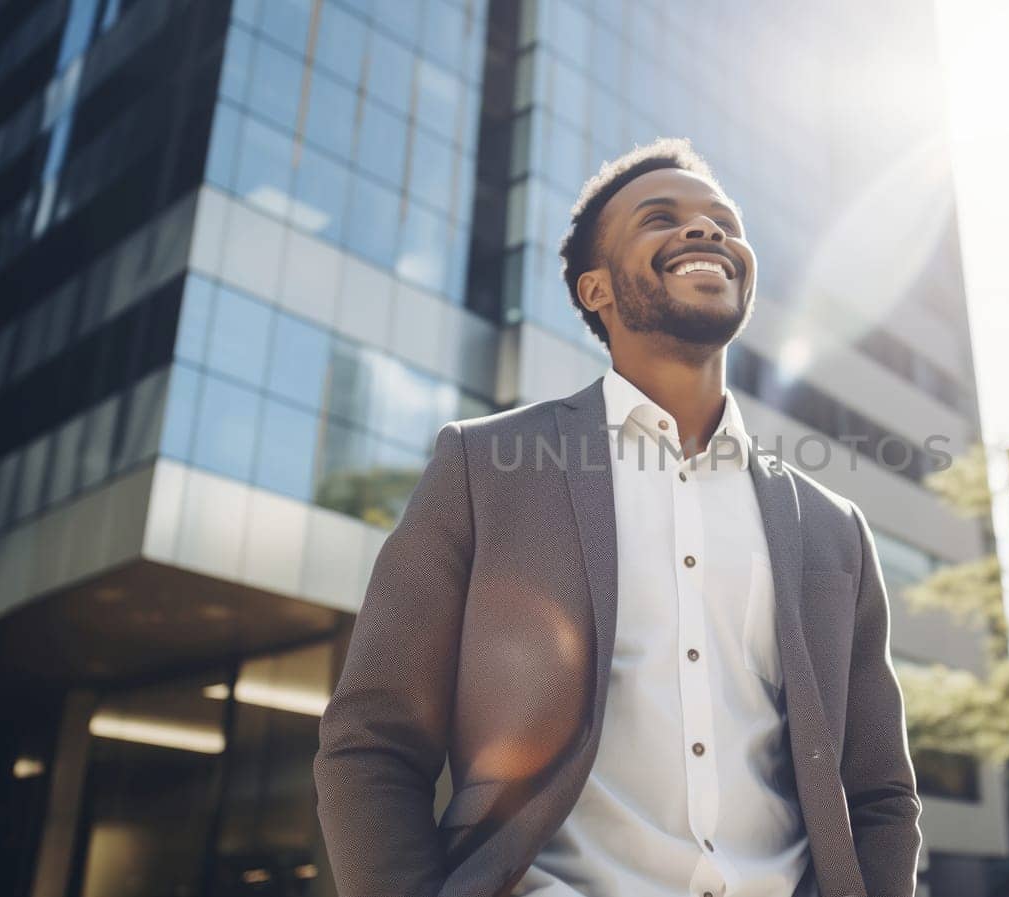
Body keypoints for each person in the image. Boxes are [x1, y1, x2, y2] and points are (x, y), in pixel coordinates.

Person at [313, 138, 920, 897]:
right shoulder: (483, 468)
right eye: (659, 218)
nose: (706, 233)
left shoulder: (833, 527)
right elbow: (371, 741)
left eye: (723, 222)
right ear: (595, 290)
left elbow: (881, 796)